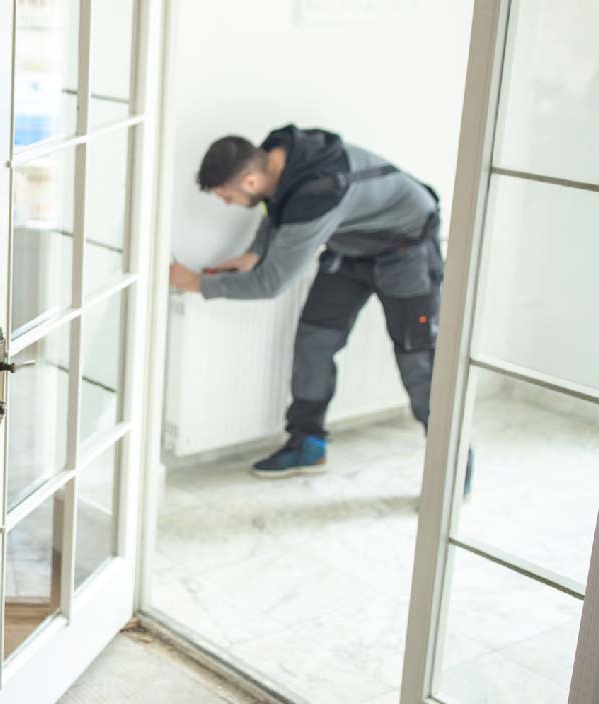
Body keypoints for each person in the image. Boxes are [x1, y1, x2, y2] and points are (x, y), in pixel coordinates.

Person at [169, 125, 451, 479]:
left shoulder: (317, 195)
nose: (227, 204)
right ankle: (307, 445)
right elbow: (277, 209)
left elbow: (270, 284)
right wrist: (256, 252)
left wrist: (195, 283)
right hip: (351, 249)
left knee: (418, 363)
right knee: (314, 343)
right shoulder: (278, 154)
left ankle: (451, 465)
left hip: (407, 254)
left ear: (251, 182)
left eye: (227, 197)